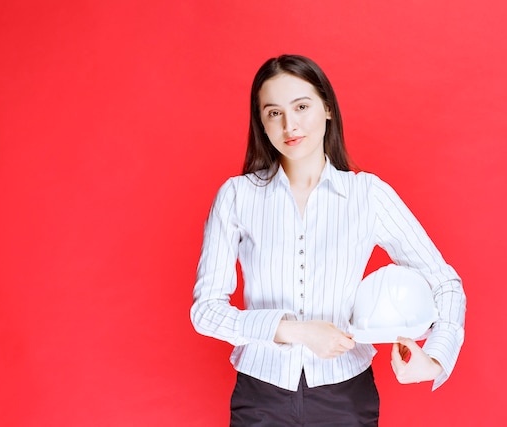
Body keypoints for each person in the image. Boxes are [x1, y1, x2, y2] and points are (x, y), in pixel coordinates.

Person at [190, 54, 466, 426]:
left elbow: (444, 282)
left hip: (346, 399)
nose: (290, 124)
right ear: (262, 124)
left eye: (302, 106)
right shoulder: (237, 197)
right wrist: (295, 331)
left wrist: (435, 356)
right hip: (260, 396)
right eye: (274, 113)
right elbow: (205, 311)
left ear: (328, 109)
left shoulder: (367, 194)